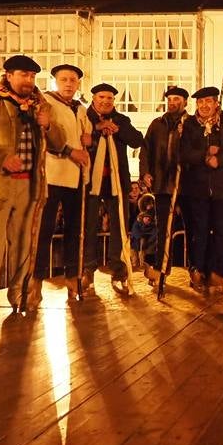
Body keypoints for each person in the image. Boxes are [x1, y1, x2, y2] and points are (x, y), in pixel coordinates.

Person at [0, 54, 65, 315]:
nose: (28, 81)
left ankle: (21, 293)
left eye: (32, 76)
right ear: (8, 76)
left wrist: (49, 126)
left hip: (31, 187)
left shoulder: (40, 107)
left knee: (25, 245)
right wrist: (1, 158)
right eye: (23, 75)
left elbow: (59, 143)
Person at [178, 86, 223, 296]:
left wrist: (220, 157)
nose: (204, 106)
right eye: (200, 102)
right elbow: (184, 152)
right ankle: (198, 269)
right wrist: (205, 156)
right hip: (196, 189)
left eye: (208, 101)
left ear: (216, 103)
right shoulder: (189, 124)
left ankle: (218, 272)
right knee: (199, 232)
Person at [80, 83, 144, 295]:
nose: (106, 101)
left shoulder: (121, 120)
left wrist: (119, 130)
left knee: (119, 228)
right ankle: (87, 269)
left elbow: (137, 141)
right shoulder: (84, 117)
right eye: (101, 97)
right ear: (94, 98)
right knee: (88, 226)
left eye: (110, 98)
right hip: (90, 183)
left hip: (116, 183)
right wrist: (97, 130)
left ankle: (119, 270)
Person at [36, 64, 94, 292]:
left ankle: (73, 274)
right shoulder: (47, 103)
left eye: (73, 80)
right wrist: (71, 151)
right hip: (53, 174)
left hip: (77, 175)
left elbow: (86, 133)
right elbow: (46, 135)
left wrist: (89, 138)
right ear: (56, 81)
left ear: (79, 84)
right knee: (45, 229)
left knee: (75, 229)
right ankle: (36, 279)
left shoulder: (80, 108)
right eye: (64, 79)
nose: (69, 84)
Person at [138, 86, 189, 282]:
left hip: (186, 186)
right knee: (162, 230)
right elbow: (145, 149)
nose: (172, 102)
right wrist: (145, 172)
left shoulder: (191, 124)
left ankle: (194, 268)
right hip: (162, 184)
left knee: (191, 228)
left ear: (184, 102)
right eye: (170, 99)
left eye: (177, 99)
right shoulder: (157, 124)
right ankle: (161, 267)